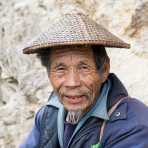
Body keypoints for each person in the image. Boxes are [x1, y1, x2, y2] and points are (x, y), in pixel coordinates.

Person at [20, 13, 148, 148]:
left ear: (104, 70)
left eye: (83, 68)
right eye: (60, 69)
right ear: (48, 74)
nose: (72, 83)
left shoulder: (134, 126)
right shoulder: (48, 114)